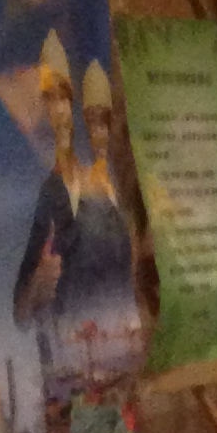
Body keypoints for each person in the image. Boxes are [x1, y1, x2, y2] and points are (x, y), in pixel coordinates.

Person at [52, 64, 135, 334]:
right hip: (94, 299)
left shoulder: (125, 177)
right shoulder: (82, 181)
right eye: (92, 124)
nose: (98, 133)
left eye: (103, 123)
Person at [11, 30, 78, 331]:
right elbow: (21, 315)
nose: (59, 109)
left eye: (63, 97)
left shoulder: (101, 178)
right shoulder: (42, 193)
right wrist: (39, 281)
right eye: (48, 98)